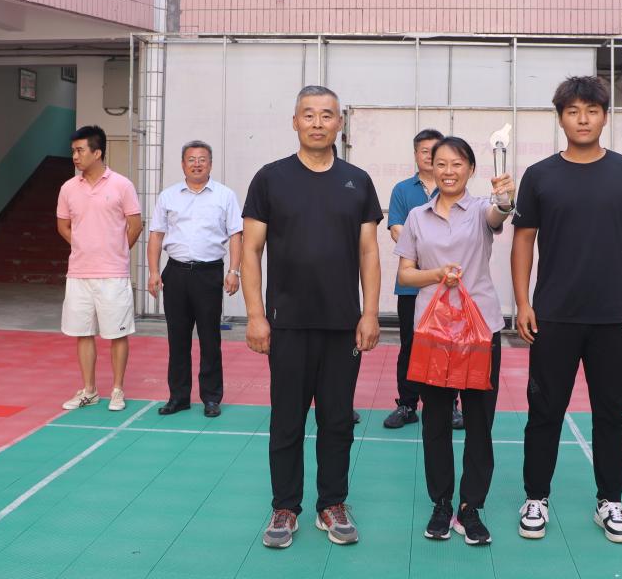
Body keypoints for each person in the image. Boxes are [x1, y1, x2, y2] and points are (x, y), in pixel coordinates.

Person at [512, 75, 622, 545]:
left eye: (591, 111)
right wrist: (523, 302)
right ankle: (536, 497)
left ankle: (610, 500)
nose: (583, 119)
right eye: (573, 111)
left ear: (604, 117)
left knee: (611, 414)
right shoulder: (540, 175)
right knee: (544, 411)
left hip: (615, 317)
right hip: (552, 316)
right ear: (561, 119)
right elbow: (523, 241)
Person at [242, 86, 382, 549]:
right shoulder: (270, 178)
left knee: (338, 420)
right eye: (309, 114)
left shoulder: (357, 181)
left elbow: (369, 251)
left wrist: (369, 313)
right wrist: (256, 315)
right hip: (287, 323)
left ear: (339, 123)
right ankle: (285, 507)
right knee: (287, 420)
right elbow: (251, 251)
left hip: (343, 324)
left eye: (327, 115)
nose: (318, 123)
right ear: (295, 121)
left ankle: (332, 504)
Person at [395, 136, 516, 545]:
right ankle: (442, 504)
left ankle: (471, 507)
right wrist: (436, 275)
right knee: (435, 421)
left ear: (471, 169)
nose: (449, 171)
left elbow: (500, 213)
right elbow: (405, 274)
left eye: (457, 164)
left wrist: (505, 198)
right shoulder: (417, 217)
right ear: (431, 167)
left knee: (479, 422)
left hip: (479, 331)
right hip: (433, 333)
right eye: (441, 163)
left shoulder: (481, 209)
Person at [147, 141, 243, 418]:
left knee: (210, 338)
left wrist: (234, 271)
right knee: (177, 338)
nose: (197, 164)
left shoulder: (225, 195)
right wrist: (153, 272)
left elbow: (236, 235)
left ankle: (211, 398)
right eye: (191, 159)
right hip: (175, 273)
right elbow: (156, 235)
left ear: (210, 164)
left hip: (208, 274)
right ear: (183, 164)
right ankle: (178, 397)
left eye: (202, 159)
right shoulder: (168, 196)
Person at [56, 125, 142, 412]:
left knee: (117, 333)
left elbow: (135, 225)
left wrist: (116, 250)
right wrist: (84, 245)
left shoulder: (122, 185)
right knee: (82, 332)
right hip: (79, 273)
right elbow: (63, 226)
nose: (75, 156)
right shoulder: (68, 188)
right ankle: (89, 390)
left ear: (97, 152)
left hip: (113, 274)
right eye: (73, 151)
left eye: (80, 150)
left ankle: (117, 390)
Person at [384, 129, 464, 431]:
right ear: (416, 155)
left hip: (449, 287)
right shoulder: (403, 190)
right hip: (412, 285)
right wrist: (429, 249)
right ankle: (407, 404)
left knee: (448, 345)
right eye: (424, 151)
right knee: (410, 345)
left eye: (436, 150)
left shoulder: (453, 189)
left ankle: (451, 405)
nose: (430, 156)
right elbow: (397, 230)